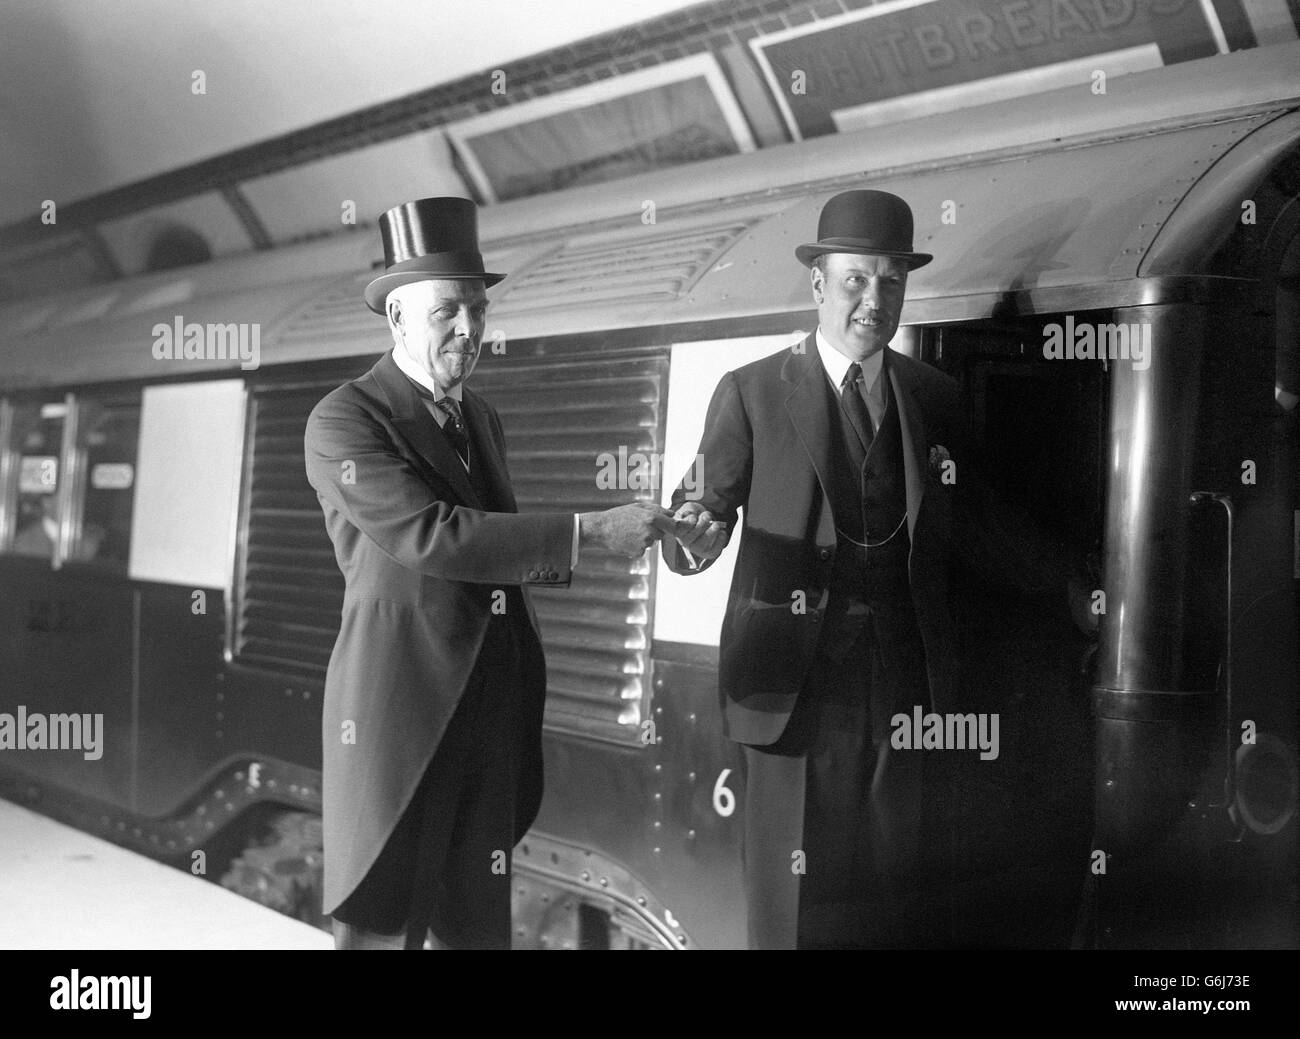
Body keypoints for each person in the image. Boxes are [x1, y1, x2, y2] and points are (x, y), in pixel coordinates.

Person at [661, 189, 1090, 949]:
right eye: (857, 279)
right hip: (791, 697)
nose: (875, 298)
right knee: (792, 913)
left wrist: (1074, 578)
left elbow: (980, 527)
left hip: (905, 696)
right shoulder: (752, 393)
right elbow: (701, 514)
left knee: (892, 906)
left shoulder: (933, 397)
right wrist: (691, 536)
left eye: (892, 281)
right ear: (819, 284)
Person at [304, 197, 671, 950]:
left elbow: (493, 551)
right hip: (402, 721)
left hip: (487, 722)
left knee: (479, 934)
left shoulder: (482, 419)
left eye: (478, 308)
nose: (470, 329)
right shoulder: (345, 420)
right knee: (382, 933)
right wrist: (592, 530)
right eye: (448, 312)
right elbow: (434, 536)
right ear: (398, 320)